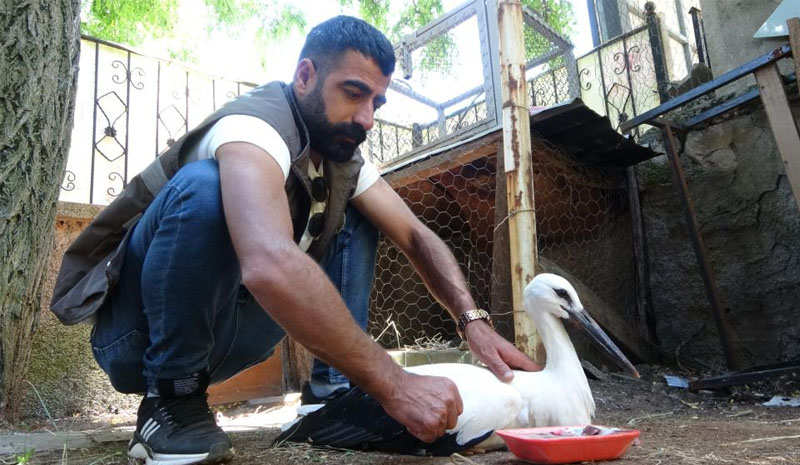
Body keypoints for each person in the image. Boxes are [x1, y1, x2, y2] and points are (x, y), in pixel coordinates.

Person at [51, 15, 539, 465]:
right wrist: (393, 382)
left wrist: (471, 321)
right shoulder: (253, 127)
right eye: (353, 93)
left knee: (358, 209)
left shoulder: (339, 155)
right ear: (304, 76)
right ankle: (171, 406)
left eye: (377, 102)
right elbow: (267, 262)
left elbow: (415, 235)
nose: (367, 118)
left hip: (233, 335)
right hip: (136, 338)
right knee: (206, 187)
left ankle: (334, 394)